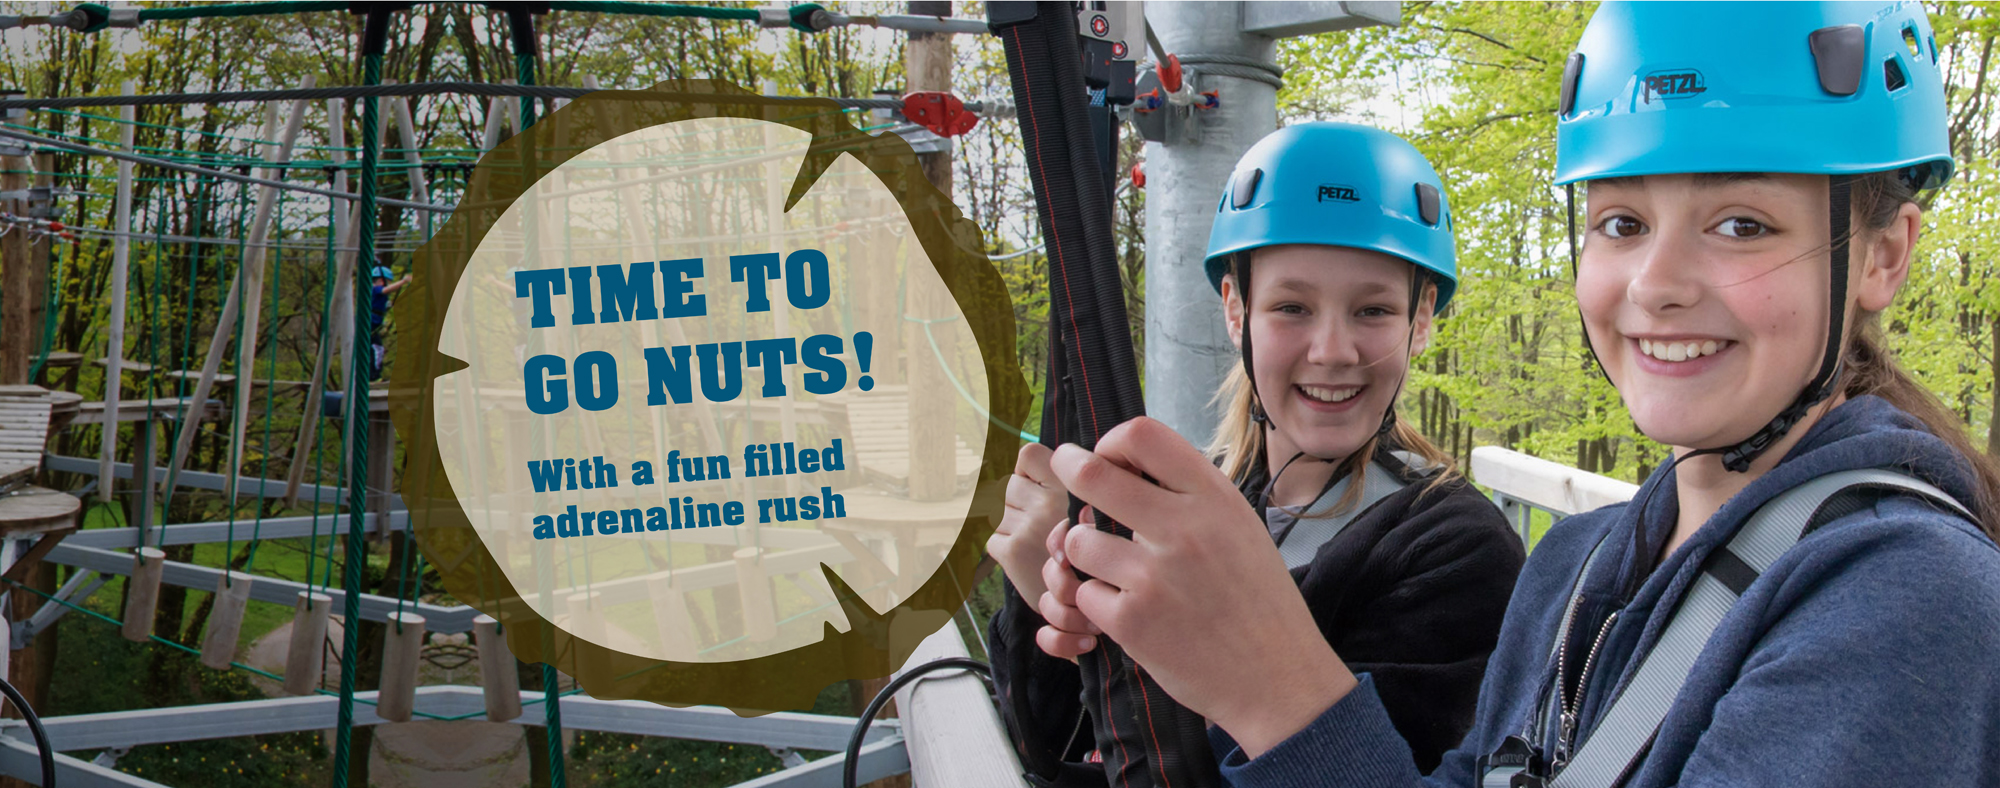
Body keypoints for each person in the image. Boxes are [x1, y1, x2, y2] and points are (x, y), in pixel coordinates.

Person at [1028, 3, 2000, 787]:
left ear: (1880, 256)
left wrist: (1274, 687)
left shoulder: (1909, 603)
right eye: (1619, 220)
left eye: (1740, 224)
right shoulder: (1572, 564)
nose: (1653, 282)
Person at [986, 122, 1526, 783]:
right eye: (1292, 307)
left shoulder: (1456, 552)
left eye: (1373, 311)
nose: (1332, 350)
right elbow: (1050, 746)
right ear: (1236, 310)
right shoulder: (1200, 505)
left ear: (1421, 321)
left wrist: (1140, 643)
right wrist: (1045, 592)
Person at [371, 264, 412, 380]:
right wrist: (403, 281)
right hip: (371, 322)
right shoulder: (375, 289)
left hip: (374, 322)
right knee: (376, 349)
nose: (389, 284)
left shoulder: (374, 292)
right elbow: (386, 290)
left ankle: (373, 375)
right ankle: (372, 376)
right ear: (380, 280)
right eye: (388, 281)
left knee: (376, 349)